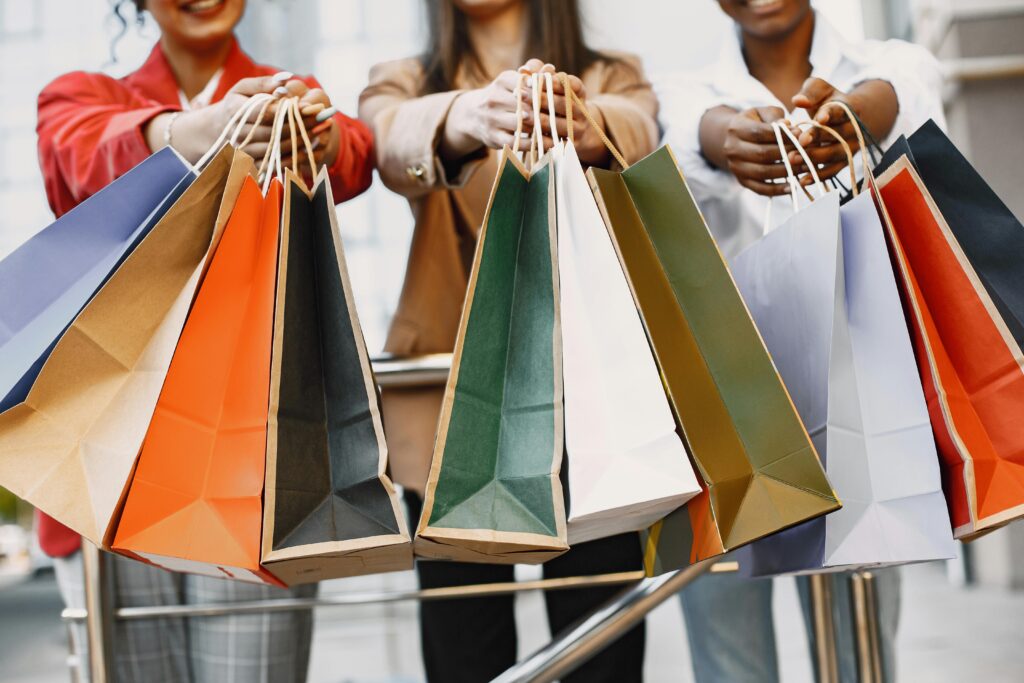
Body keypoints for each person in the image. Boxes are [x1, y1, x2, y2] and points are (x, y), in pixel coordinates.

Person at [35, 1, 373, 680]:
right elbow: (80, 156)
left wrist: (319, 134)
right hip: (108, 476)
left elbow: (354, 152)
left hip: (255, 469)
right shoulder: (84, 96)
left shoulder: (290, 93)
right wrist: (204, 130)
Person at [359, 1, 658, 681]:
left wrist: (583, 123)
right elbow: (386, 138)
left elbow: (639, 130)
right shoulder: (405, 77)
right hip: (447, 408)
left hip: (590, 409)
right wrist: (464, 115)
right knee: (467, 650)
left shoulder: (611, 74)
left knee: (602, 649)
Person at [657, 1, 946, 681]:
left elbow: (910, 84)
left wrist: (854, 113)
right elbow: (683, 132)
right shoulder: (687, 91)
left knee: (859, 655)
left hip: (856, 397)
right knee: (731, 658)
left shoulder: (881, 62)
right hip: (722, 413)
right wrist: (724, 136)